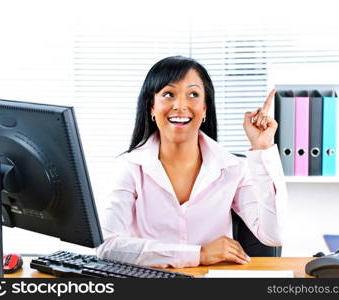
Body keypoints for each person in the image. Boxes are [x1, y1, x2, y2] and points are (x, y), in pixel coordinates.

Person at [96, 56, 287, 268]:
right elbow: (107, 246)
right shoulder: (130, 167)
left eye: (193, 94)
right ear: (151, 107)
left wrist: (263, 150)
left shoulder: (233, 168)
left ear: (205, 109)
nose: (180, 105)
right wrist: (198, 254)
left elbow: (273, 235)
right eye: (168, 94)